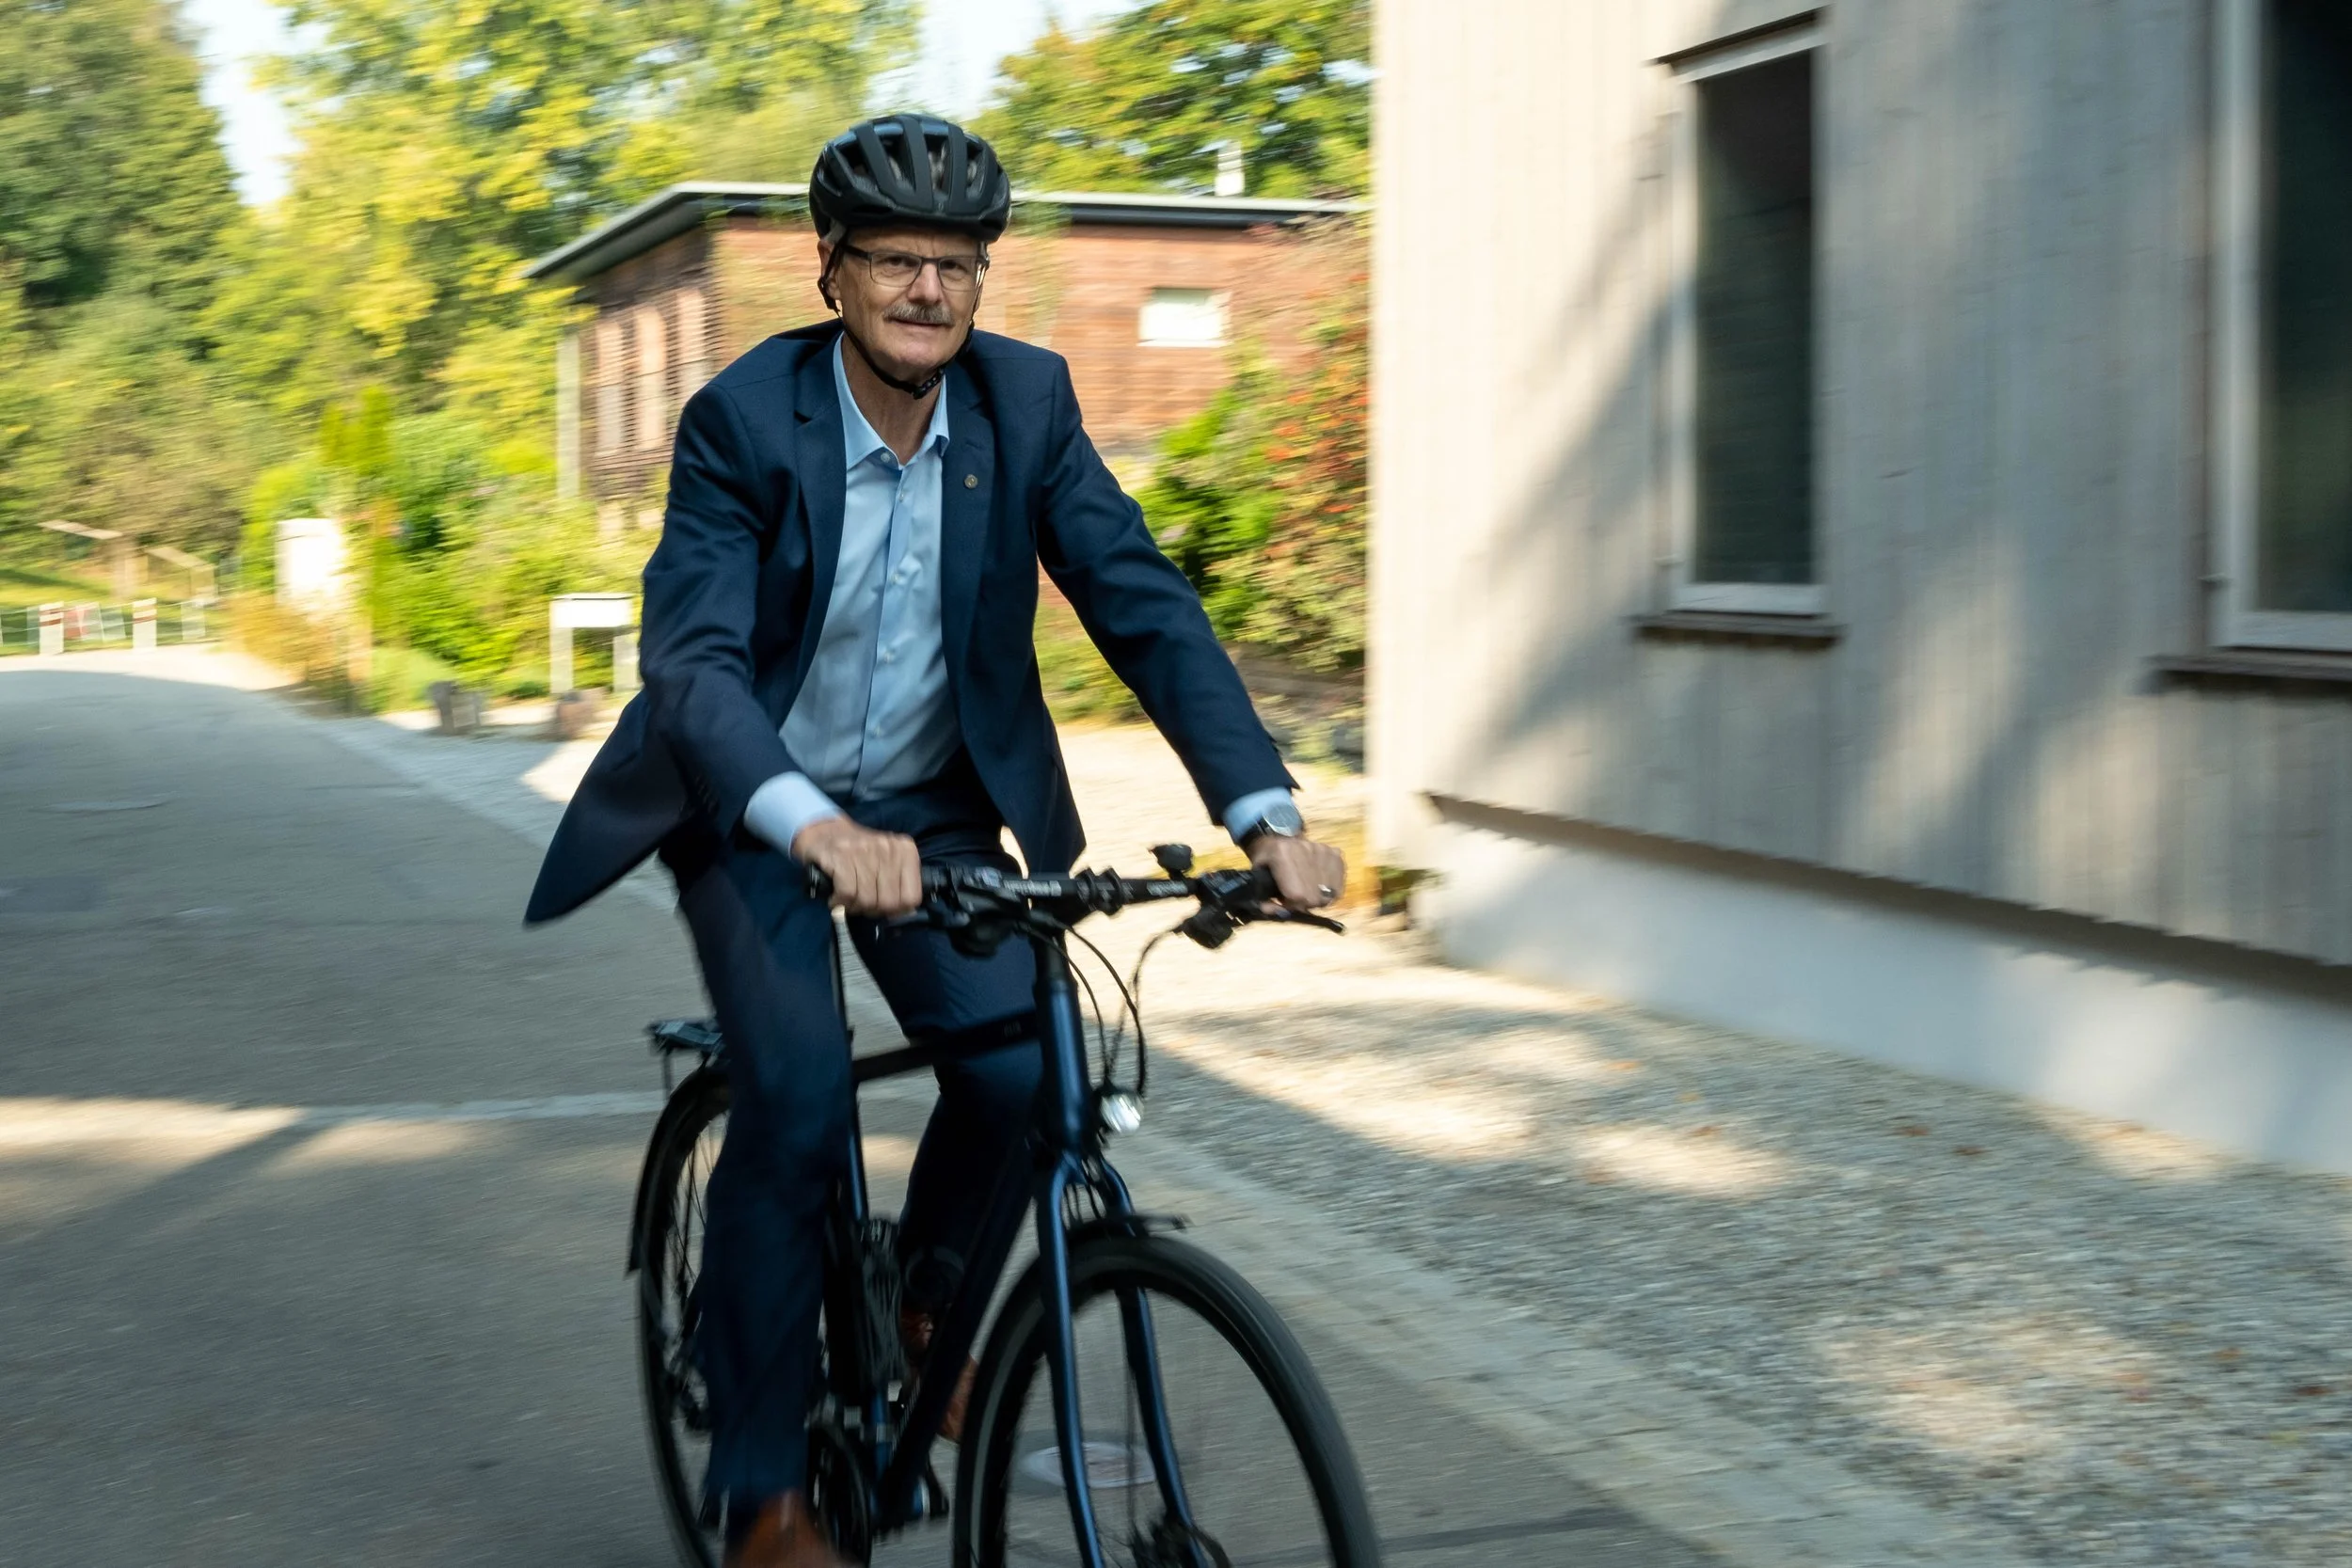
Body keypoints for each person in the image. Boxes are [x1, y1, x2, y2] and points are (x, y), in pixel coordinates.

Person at [524, 112, 1345, 1568]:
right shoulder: (740, 421)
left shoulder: (1024, 409)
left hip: (933, 807)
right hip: (755, 805)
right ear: (832, 273)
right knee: (795, 1088)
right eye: (897, 259)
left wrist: (1265, 813)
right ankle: (768, 1494)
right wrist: (810, 823)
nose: (928, 289)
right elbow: (698, 671)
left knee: (1029, 1067)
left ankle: (927, 1302)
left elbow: (1138, 598)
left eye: (957, 263)